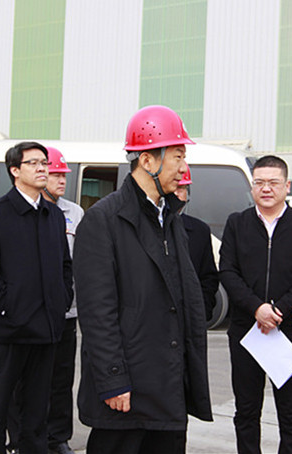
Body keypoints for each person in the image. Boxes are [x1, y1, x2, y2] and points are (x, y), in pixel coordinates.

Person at [73, 105, 212, 454]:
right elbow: (97, 313)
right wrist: (113, 379)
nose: (184, 167)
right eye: (178, 156)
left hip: (167, 386)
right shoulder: (103, 221)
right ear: (148, 161)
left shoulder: (170, 218)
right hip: (127, 393)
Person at [0, 141, 73, 454]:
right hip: (7, 333)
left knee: (36, 412)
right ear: (15, 170)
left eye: (44, 163)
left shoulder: (53, 216)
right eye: (34, 163)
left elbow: (65, 267)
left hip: (45, 331)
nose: (43, 169)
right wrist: (8, 309)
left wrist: (60, 302)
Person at [219, 155, 292, 454]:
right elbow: (227, 271)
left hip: (287, 331)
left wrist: (278, 310)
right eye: (259, 182)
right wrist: (257, 308)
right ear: (252, 187)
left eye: (273, 182)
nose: (266, 189)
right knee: (246, 410)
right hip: (247, 330)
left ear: (286, 186)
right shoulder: (237, 223)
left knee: (291, 412)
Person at [6, 147, 84, 454]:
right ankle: (20, 438)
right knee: (22, 382)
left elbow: (74, 263)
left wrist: (66, 300)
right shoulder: (12, 211)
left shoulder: (74, 213)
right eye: (56, 174)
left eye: (64, 175)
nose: (61, 180)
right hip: (28, 316)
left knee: (61, 380)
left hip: (65, 314)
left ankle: (58, 437)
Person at [174, 165, 219, 321]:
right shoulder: (144, 228)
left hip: (190, 319)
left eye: (181, 188)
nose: (176, 193)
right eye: (173, 187)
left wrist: (201, 311)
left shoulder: (199, 231)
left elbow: (209, 278)